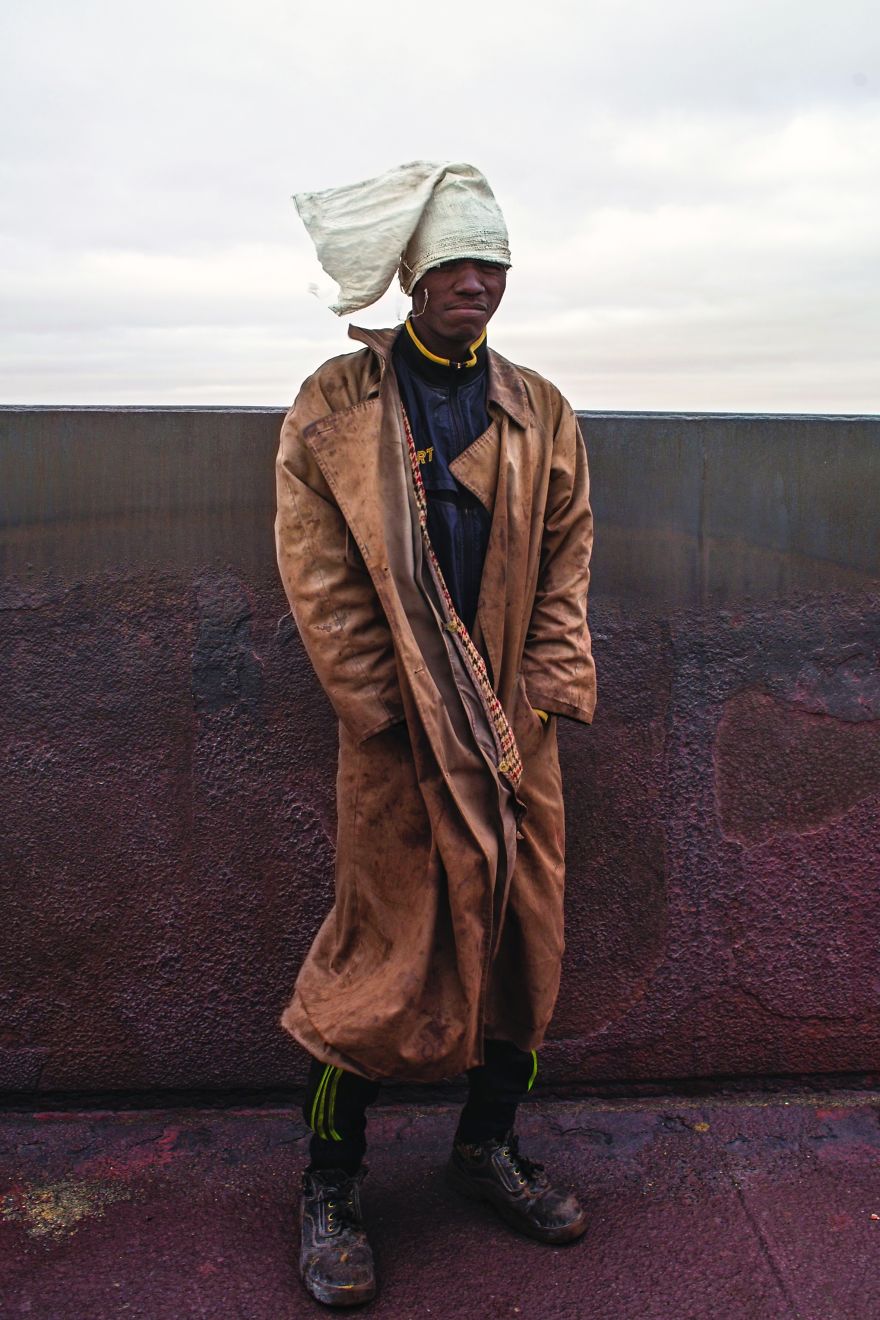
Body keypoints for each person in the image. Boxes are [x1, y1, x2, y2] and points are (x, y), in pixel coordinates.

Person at [275, 161, 596, 1308]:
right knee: (376, 965)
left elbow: (565, 566)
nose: (478, 280)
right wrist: (385, 716)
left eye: (493, 261)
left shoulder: (540, 409)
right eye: (456, 261)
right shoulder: (334, 406)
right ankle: (329, 1181)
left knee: (524, 953)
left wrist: (546, 693)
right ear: (414, 275)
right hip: (400, 747)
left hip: (516, 741)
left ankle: (485, 1148)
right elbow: (321, 586)